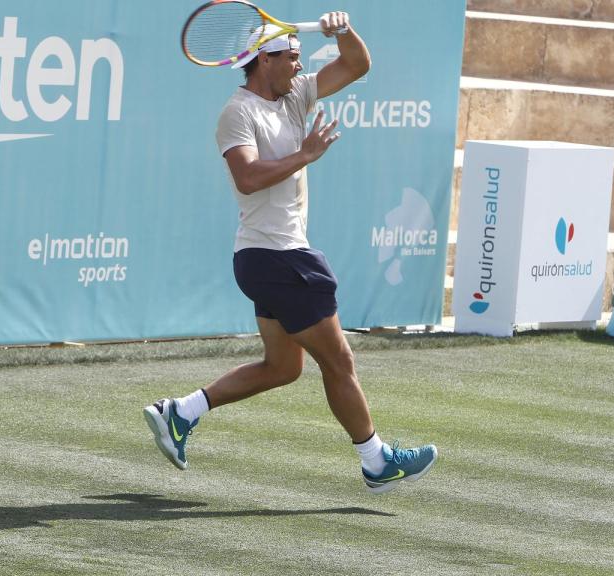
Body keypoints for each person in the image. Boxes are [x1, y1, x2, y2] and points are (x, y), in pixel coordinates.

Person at [145, 12, 437, 494]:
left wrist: (343, 30)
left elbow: (357, 64)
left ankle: (181, 412)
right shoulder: (237, 113)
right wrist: (305, 154)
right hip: (276, 257)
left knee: (283, 367)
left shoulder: (297, 93)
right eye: (292, 58)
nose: (300, 68)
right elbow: (247, 177)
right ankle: (376, 460)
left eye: (301, 59)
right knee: (339, 361)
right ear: (265, 58)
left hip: (271, 259)